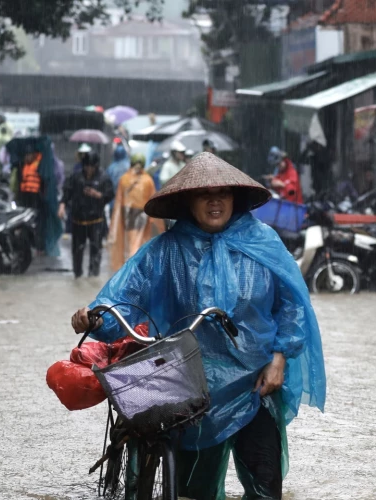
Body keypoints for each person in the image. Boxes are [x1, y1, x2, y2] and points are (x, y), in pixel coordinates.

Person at [70, 152, 325, 499]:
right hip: (192, 388)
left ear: (235, 198)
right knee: (194, 492)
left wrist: (279, 357)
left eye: (223, 192)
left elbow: (292, 305)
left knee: (266, 488)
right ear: (189, 201)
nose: (215, 200)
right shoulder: (165, 250)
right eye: (205, 193)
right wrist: (96, 316)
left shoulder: (263, 242)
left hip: (257, 382)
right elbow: (124, 296)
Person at [60, 154, 114, 278]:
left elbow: (110, 194)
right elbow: (67, 192)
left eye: (91, 167)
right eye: (87, 167)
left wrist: (98, 195)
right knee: (77, 251)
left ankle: (93, 277)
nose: (89, 169)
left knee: (96, 250)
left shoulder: (103, 178)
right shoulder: (76, 177)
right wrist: (62, 205)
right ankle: (77, 276)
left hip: (96, 220)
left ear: (96, 166)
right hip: (78, 220)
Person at [107, 155, 162, 272]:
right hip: (142, 214)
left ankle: (130, 265)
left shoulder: (124, 179)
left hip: (126, 213)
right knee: (138, 240)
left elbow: (119, 199)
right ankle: (135, 265)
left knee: (130, 240)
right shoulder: (148, 180)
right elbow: (152, 200)